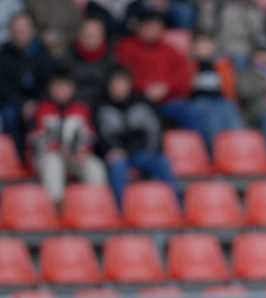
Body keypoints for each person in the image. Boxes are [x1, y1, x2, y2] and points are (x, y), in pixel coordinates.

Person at [95, 65, 180, 206]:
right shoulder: (100, 107)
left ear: (129, 85)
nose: (118, 87)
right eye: (115, 83)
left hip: (141, 153)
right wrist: (110, 150)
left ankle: (177, 206)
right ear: (108, 85)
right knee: (117, 166)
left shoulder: (141, 104)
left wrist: (150, 150)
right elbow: (100, 136)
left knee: (163, 163)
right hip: (117, 155)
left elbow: (154, 130)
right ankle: (121, 211)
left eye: (122, 83)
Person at [28, 67, 108, 203]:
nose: (62, 90)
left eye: (65, 86)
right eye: (58, 86)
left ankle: (96, 204)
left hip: (73, 157)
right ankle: (56, 204)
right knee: (53, 162)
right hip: (45, 157)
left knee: (95, 166)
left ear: (72, 88)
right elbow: (35, 139)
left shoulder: (81, 109)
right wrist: (57, 148)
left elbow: (89, 136)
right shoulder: (42, 109)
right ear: (51, 88)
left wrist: (81, 150)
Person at [115, 10, 201, 134]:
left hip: (167, 101)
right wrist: (145, 88)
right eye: (148, 26)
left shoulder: (170, 51)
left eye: (156, 27)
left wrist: (166, 87)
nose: (152, 30)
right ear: (139, 27)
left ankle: (197, 145)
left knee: (189, 111)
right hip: (136, 101)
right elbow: (121, 77)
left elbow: (183, 76)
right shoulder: (125, 47)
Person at [0, 11, 54, 156]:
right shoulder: (4, 53)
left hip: (40, 102)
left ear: (33, 30)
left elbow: (50, 84)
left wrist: (36, 104)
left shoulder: (44, 52)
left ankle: (40, 157)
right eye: (16, 31)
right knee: (9, 115)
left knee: (47, 116)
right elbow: (3, 86)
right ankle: (17, 159)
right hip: (13, 103)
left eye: (23, 30)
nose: (20, 34)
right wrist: (22, 104)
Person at [189, 31, 244, 150]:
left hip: (221, 100)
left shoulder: (221, 64)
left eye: (207, 44)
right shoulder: (189, 64)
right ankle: (216, 152)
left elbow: (229, 87)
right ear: (194, 47)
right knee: (212, 121)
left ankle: (237, 150)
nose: (204, 48)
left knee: (231, 115)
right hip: (200, 100)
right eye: (200, 44)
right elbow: (186, 87)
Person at [64, 16, 118, 107]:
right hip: (73, 105)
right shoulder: (68, 56)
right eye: (87, 34)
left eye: (95, 35)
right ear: (79, 35)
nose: (90, 39)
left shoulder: (111, 58)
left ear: (103, 36)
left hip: (104, 105)